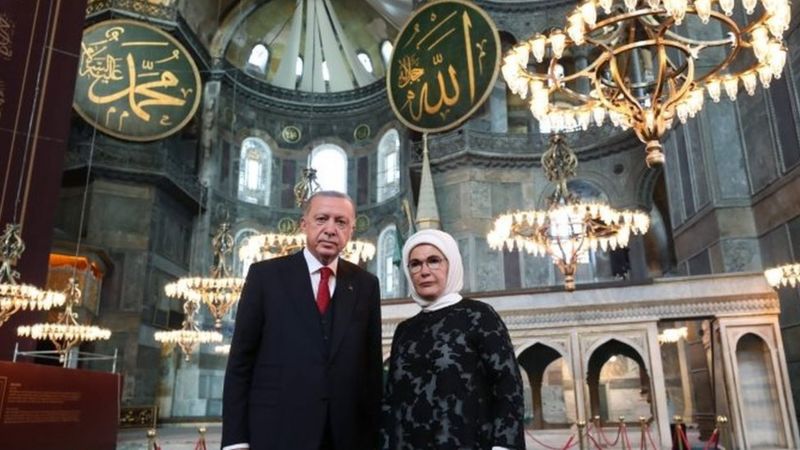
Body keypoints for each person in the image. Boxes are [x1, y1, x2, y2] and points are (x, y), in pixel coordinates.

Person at [222, 191, 382, 450]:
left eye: (341, 222)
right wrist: (235, 440)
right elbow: (241, 362)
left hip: (346, 436)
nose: (331, 229)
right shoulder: (266, 277)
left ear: (352, 230)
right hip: (276, 432)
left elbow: (371, 371)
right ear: (304, 224)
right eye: (321, 219)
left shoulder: (366, 284)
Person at [382, 229, 526, 450]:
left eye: (433, 261)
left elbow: (508, 386)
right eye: (415, 264)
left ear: (452, 264)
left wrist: (504, 445)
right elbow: (392, 402)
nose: (424, 271)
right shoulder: (405, 330)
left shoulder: (478, 315)